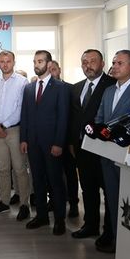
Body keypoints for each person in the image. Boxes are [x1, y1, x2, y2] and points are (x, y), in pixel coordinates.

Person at [94, 49, 130, 253]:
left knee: (128, 203)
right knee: (113, 200)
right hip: (107, 155)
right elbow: (100, 118)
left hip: (127, 156)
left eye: (120, 63)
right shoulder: (108, 90)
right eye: (114, 63)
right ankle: (119, 243)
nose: (114, 67)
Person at [20, 50, 70, 235]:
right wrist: (23, 139)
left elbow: (63, 117)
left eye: (40, 61)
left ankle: (59, 219)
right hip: (33, 144)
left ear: (49, 64)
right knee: (38, 181)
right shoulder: (28, 88)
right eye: (35, 61)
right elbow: (25, 115)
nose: (36, 64)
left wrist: (59, 143)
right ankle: (41, 216)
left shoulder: (60, 88)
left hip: (52, 144)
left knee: (55, 182)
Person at [71, 49, 115, 239]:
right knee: (88, 189)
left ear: (102, 63)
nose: (88, 65)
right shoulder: (76, 88)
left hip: (104, 148)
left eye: (92, 61)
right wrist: (71, 142)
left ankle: (109, 231)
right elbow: (73, 118)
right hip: (82, 148)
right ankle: (90, 225)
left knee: (108, 189)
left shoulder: (112, 85)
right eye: (84, 62)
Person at [0, 50, 31, 221]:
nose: (5, 64)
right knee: (3, 169)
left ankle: (24, 204)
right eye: (2, 61)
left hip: (14, 130)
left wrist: (3, 125)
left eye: (8, 61)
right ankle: (4, 202)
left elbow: (21, 108)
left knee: (20, 169)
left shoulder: (22, 82)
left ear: (14, 62)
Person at [50, 59, 81, 218]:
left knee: (70, 174)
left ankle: (73, 203)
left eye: (54, 69)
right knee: (52, 174)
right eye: (49, 70)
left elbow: (74, 116)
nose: (51, 73)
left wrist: (71, 141)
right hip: (50, 140)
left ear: (59, 70)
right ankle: (54, 201)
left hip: (67, 140)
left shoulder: (71, 89)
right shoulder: (43, 90)